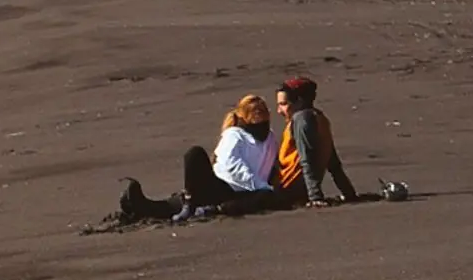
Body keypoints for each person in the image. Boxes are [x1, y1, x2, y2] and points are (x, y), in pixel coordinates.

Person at [119, 93, 282, 225]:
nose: (260, 117)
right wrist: (261, 186)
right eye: (256, 113)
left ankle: (178, 205)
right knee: (194, 155)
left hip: (243, 194)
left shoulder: (270, 138)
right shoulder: (234, 135)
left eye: (263, 113)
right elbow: (233, 167)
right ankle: (147, 204)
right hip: (225, 187)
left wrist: (267, 186)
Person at [272, 74, 357, 206]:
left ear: (299, 101)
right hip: (297, 189)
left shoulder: (301, 120)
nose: (279, 111)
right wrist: (349, 193)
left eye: (283, 104)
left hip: (287, 189)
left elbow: (306, 160)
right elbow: (333, 162)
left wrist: (315, 197)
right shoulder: (320, 118)